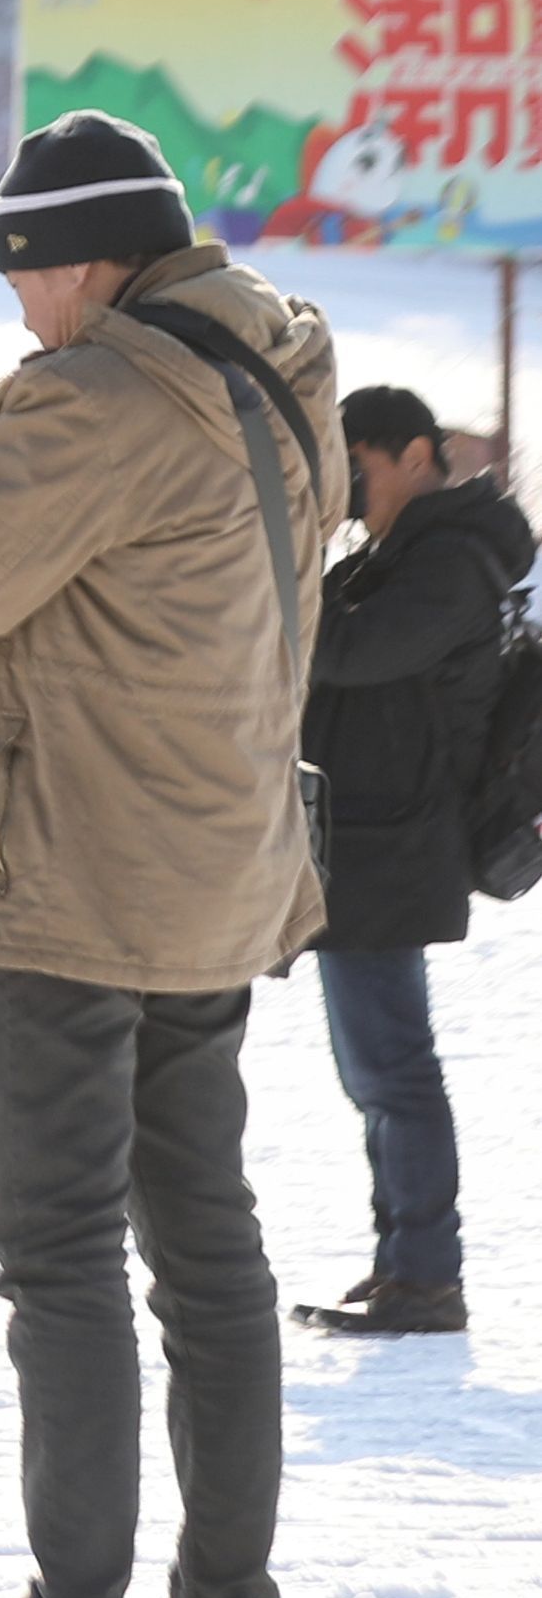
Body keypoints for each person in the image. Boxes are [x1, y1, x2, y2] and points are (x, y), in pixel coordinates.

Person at [0, 111, 336, 1598]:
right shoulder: (268, 352)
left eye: (31, 285)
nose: (24, 321)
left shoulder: (98, 392)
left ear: (83, 258)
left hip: (72, 869)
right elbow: (139, 491)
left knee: (54, 1244)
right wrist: (17, 418)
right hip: (221, 859)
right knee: (207, 1240)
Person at [293, 384, 519, 1338]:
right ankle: (403, 1265)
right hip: (370, 837)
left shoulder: (452, 562)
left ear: (418, 456)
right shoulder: (398, 553)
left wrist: (282, 562)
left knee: (394, 1070)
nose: (347, 485)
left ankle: (427, 1278)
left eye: (361, 465)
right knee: (376, 1071)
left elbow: (345, 651)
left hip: (397, 842)